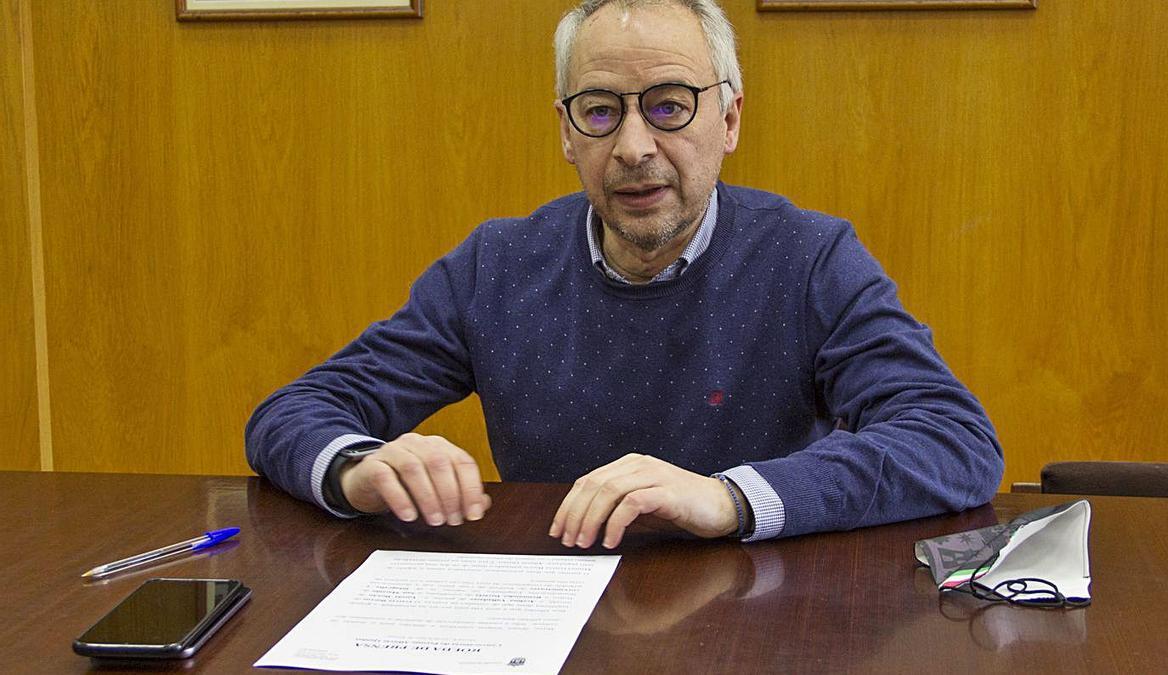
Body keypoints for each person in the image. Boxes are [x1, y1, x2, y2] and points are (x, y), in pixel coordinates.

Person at [246, 0, 1003, 550]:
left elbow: (953, 439)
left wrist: (730, 495)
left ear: (730, 120)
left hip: (760, 620)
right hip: (546, 622)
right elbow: (293, 411)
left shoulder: (809, 258)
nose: (636, 146)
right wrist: (355, 467)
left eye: (670, 106)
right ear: (567, 133)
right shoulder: (496, 266)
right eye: (601, 111)